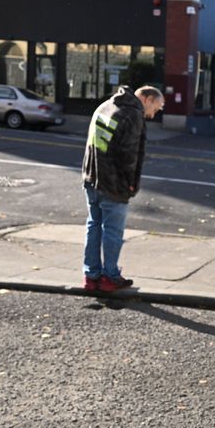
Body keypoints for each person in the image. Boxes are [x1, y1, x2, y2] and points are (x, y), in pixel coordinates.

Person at [81, 84, 164, 293]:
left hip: (92, 176)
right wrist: (131, 184)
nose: (154, 114)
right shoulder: (132, 114)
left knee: (94, 226)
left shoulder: (106, 106)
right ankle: (110, 276)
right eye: (157, 107)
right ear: (147, 99)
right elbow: (129, 155)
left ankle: (91, 276)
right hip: (114, 183)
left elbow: (95, 146)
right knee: (112, 231)